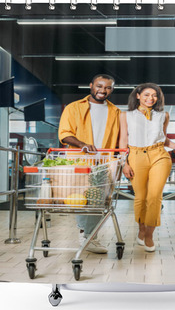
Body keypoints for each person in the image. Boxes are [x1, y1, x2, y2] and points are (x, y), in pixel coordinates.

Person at [119, 83, 175, 252]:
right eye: (147, 94)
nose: (151, 98)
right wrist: (123, 162)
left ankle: (149, 234)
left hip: (159, 155)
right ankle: (141, 228)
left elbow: (163, 139)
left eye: (154, 95)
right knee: (140, 197)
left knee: (154, 196)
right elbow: (123, 140)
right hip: (135, 155)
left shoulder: (163, 115)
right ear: (138, 96)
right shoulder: (125, 115)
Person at [58, 74, 120, 254]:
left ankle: (88, 236)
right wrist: (82, 144)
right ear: (91, 85)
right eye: (99, 86)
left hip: (104, 162)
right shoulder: (74, 108)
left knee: (98, 201)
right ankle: (87, 235)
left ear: (112, 90)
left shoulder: (115, 111)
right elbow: (64, 133)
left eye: (108, 87)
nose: (103, 90)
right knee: (81, 199)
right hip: (79, 161)